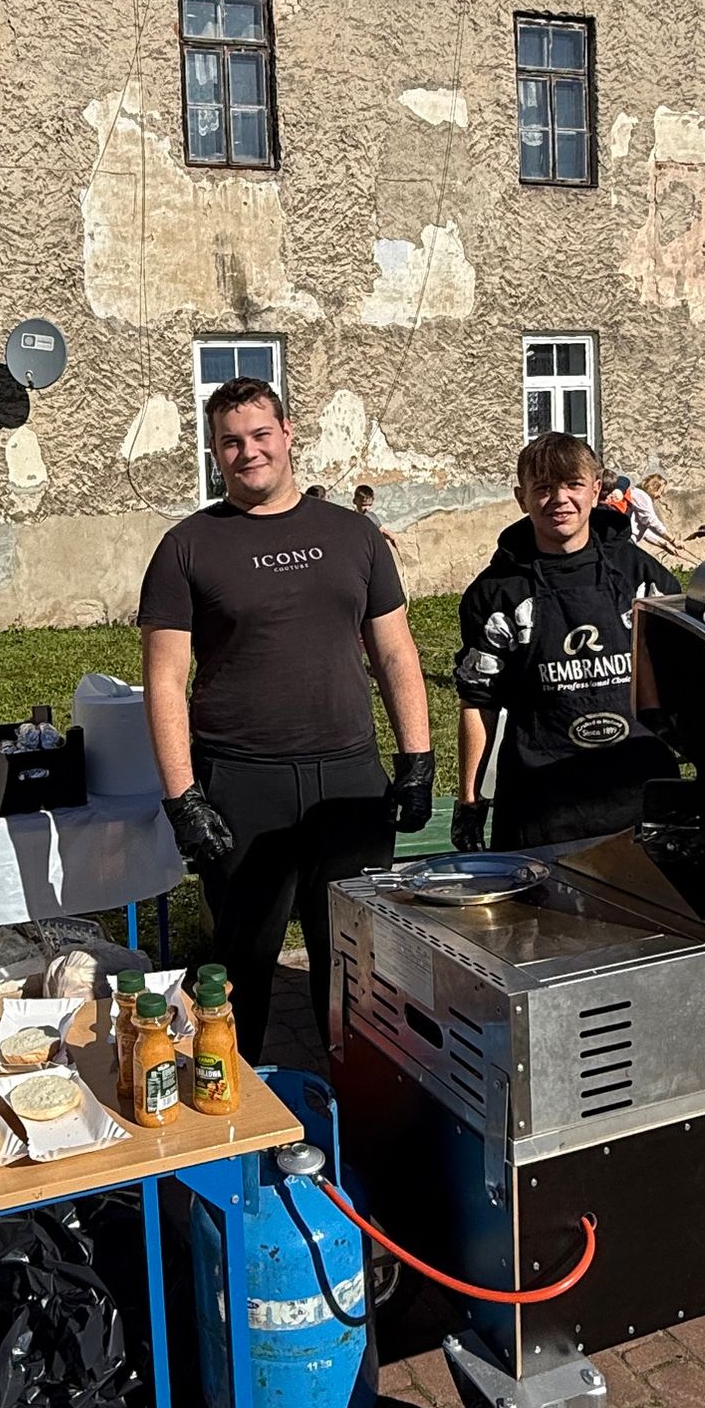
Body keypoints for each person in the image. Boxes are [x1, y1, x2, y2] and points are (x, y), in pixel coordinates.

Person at [140, 378, 433, 1061]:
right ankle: (236, 1104)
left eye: (260, 434)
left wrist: (417, 758)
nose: (248, 452)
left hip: (350, 781)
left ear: (288, 433)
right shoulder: (188, 546)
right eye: (230, 442)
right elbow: (165, 679)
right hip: (244, 785)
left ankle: (356, 1101)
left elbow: (395, 651)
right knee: (242, 967)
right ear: (215, 451)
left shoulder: (354, 535)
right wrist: (182, 797)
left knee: (357, 964)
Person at [451, 431, 679, 853]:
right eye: (543, 488)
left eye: (573, 484)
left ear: (596, 490)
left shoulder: (640, 577)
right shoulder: (497, 593)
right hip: (542, 810)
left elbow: (682, 673)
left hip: (640, 799)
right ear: (521, 498)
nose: (560, 499)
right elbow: (478, 701)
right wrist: (469, 801)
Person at [352, 483, 400, 553]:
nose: (367, 508)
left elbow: (382, 530)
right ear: (354, 501)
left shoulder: (371, 517)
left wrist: (392, 536)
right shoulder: (351, 518)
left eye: (369, 505)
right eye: (364, 505)